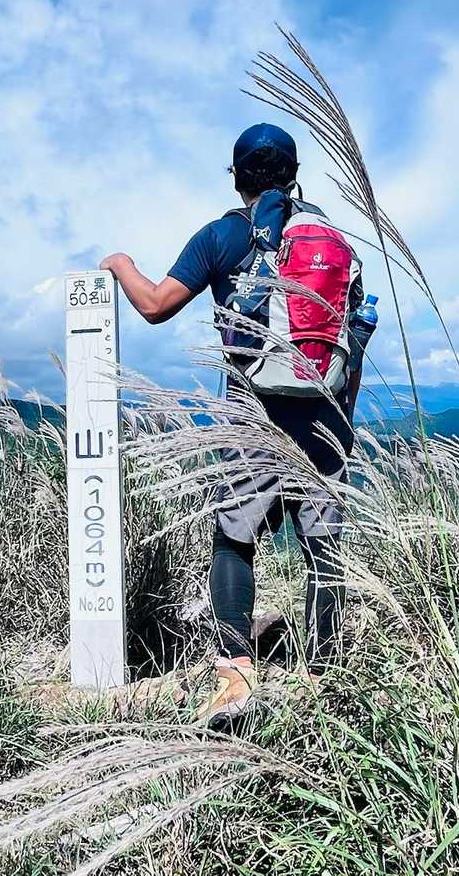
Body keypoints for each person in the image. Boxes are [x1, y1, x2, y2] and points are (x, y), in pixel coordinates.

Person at [100, 122, 368, 725]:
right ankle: (323, 677)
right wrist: (342, 421)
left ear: (238, 176)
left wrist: (121, 264)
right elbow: (351, 341)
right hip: (325, 414)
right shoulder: (331, 241)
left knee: (234, 536)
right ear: (294, 176)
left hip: (252, 418)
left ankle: (236, 675)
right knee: (323, 544)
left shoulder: (222, 236)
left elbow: (155, 306)